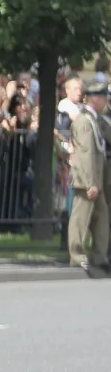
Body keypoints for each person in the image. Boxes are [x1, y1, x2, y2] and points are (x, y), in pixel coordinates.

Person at [68, 81, 109, 275]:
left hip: (96, 179)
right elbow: (85, 154)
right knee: (80, 217)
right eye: (104, 97)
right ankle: (76, 256)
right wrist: (90, 182)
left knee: (102, 217)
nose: (106, 100)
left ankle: (99, 256)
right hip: (88, 180)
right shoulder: (84, 121)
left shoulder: (95, 120)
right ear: (95, 98)